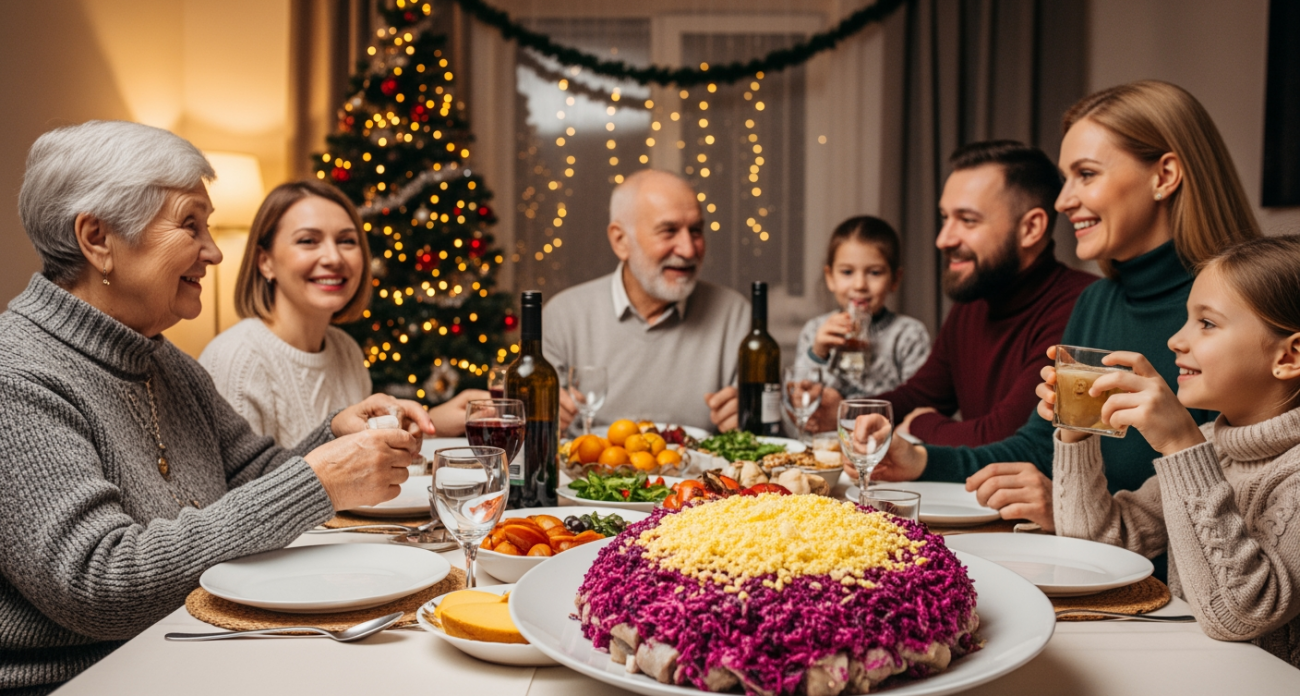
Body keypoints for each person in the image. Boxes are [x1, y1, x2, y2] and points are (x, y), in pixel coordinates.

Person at [0, 121, 432, 693]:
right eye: (190, 225)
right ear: (97, 238)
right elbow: (99, 585)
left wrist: (332, 438)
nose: (214, 250)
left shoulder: (166, 363)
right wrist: (318, 480)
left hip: (190, 648)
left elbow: (255, 476)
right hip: (92, 678)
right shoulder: (18, 374)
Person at [859, 81, 1262, 537]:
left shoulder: (1244, 313)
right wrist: (923, 459)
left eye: (1086, 174)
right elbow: (1040, 447)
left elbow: (1245, 510)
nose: (1062, 200)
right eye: (1066, 177)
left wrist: (1078, 512)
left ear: (1164, 176)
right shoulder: (1097, 303)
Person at [1047, 235, 1300, 666]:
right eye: (1187, 319)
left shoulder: (1245, 461)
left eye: (1207, 323)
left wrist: (1181, 445)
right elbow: (1097, 544)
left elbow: (1238, 614)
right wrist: (1077, 430)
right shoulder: (1214, 448)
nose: (1174, 341)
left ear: (1290, 356)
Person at [811, 141, 1096, 447]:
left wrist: (922, 423)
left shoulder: (1080, 305)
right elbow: (919, 395)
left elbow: (1009, 438)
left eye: (968, 220)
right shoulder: (975, 299)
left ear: (1031, 228)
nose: (942, 239)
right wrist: (846, 412)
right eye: (945, 218)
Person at [199, 181, 485, 447]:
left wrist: (428, 422)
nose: (334, 258)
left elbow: (362, 466)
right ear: (265, 262)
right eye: (308, 241)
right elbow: (241, 496)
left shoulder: (346, 351)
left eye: (347, 241)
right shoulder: (235, 361)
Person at [543, 169, 750, 432]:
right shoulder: (563, 316)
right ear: (621, 241)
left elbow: (771, 438)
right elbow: (531, 430)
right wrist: (543, 421)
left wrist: (752, 421)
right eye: (668, 231)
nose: (688, 250)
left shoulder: (736, 315)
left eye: (696, 231)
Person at [793, 216, 930, 407]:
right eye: (847, 272)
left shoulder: (909, 335)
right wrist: (818, 353)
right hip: (823, 436)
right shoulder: (814, 330)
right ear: (830, 277)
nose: (859, 285)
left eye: (874, 272)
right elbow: (797, 404)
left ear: (895, 279)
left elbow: (918, 406)